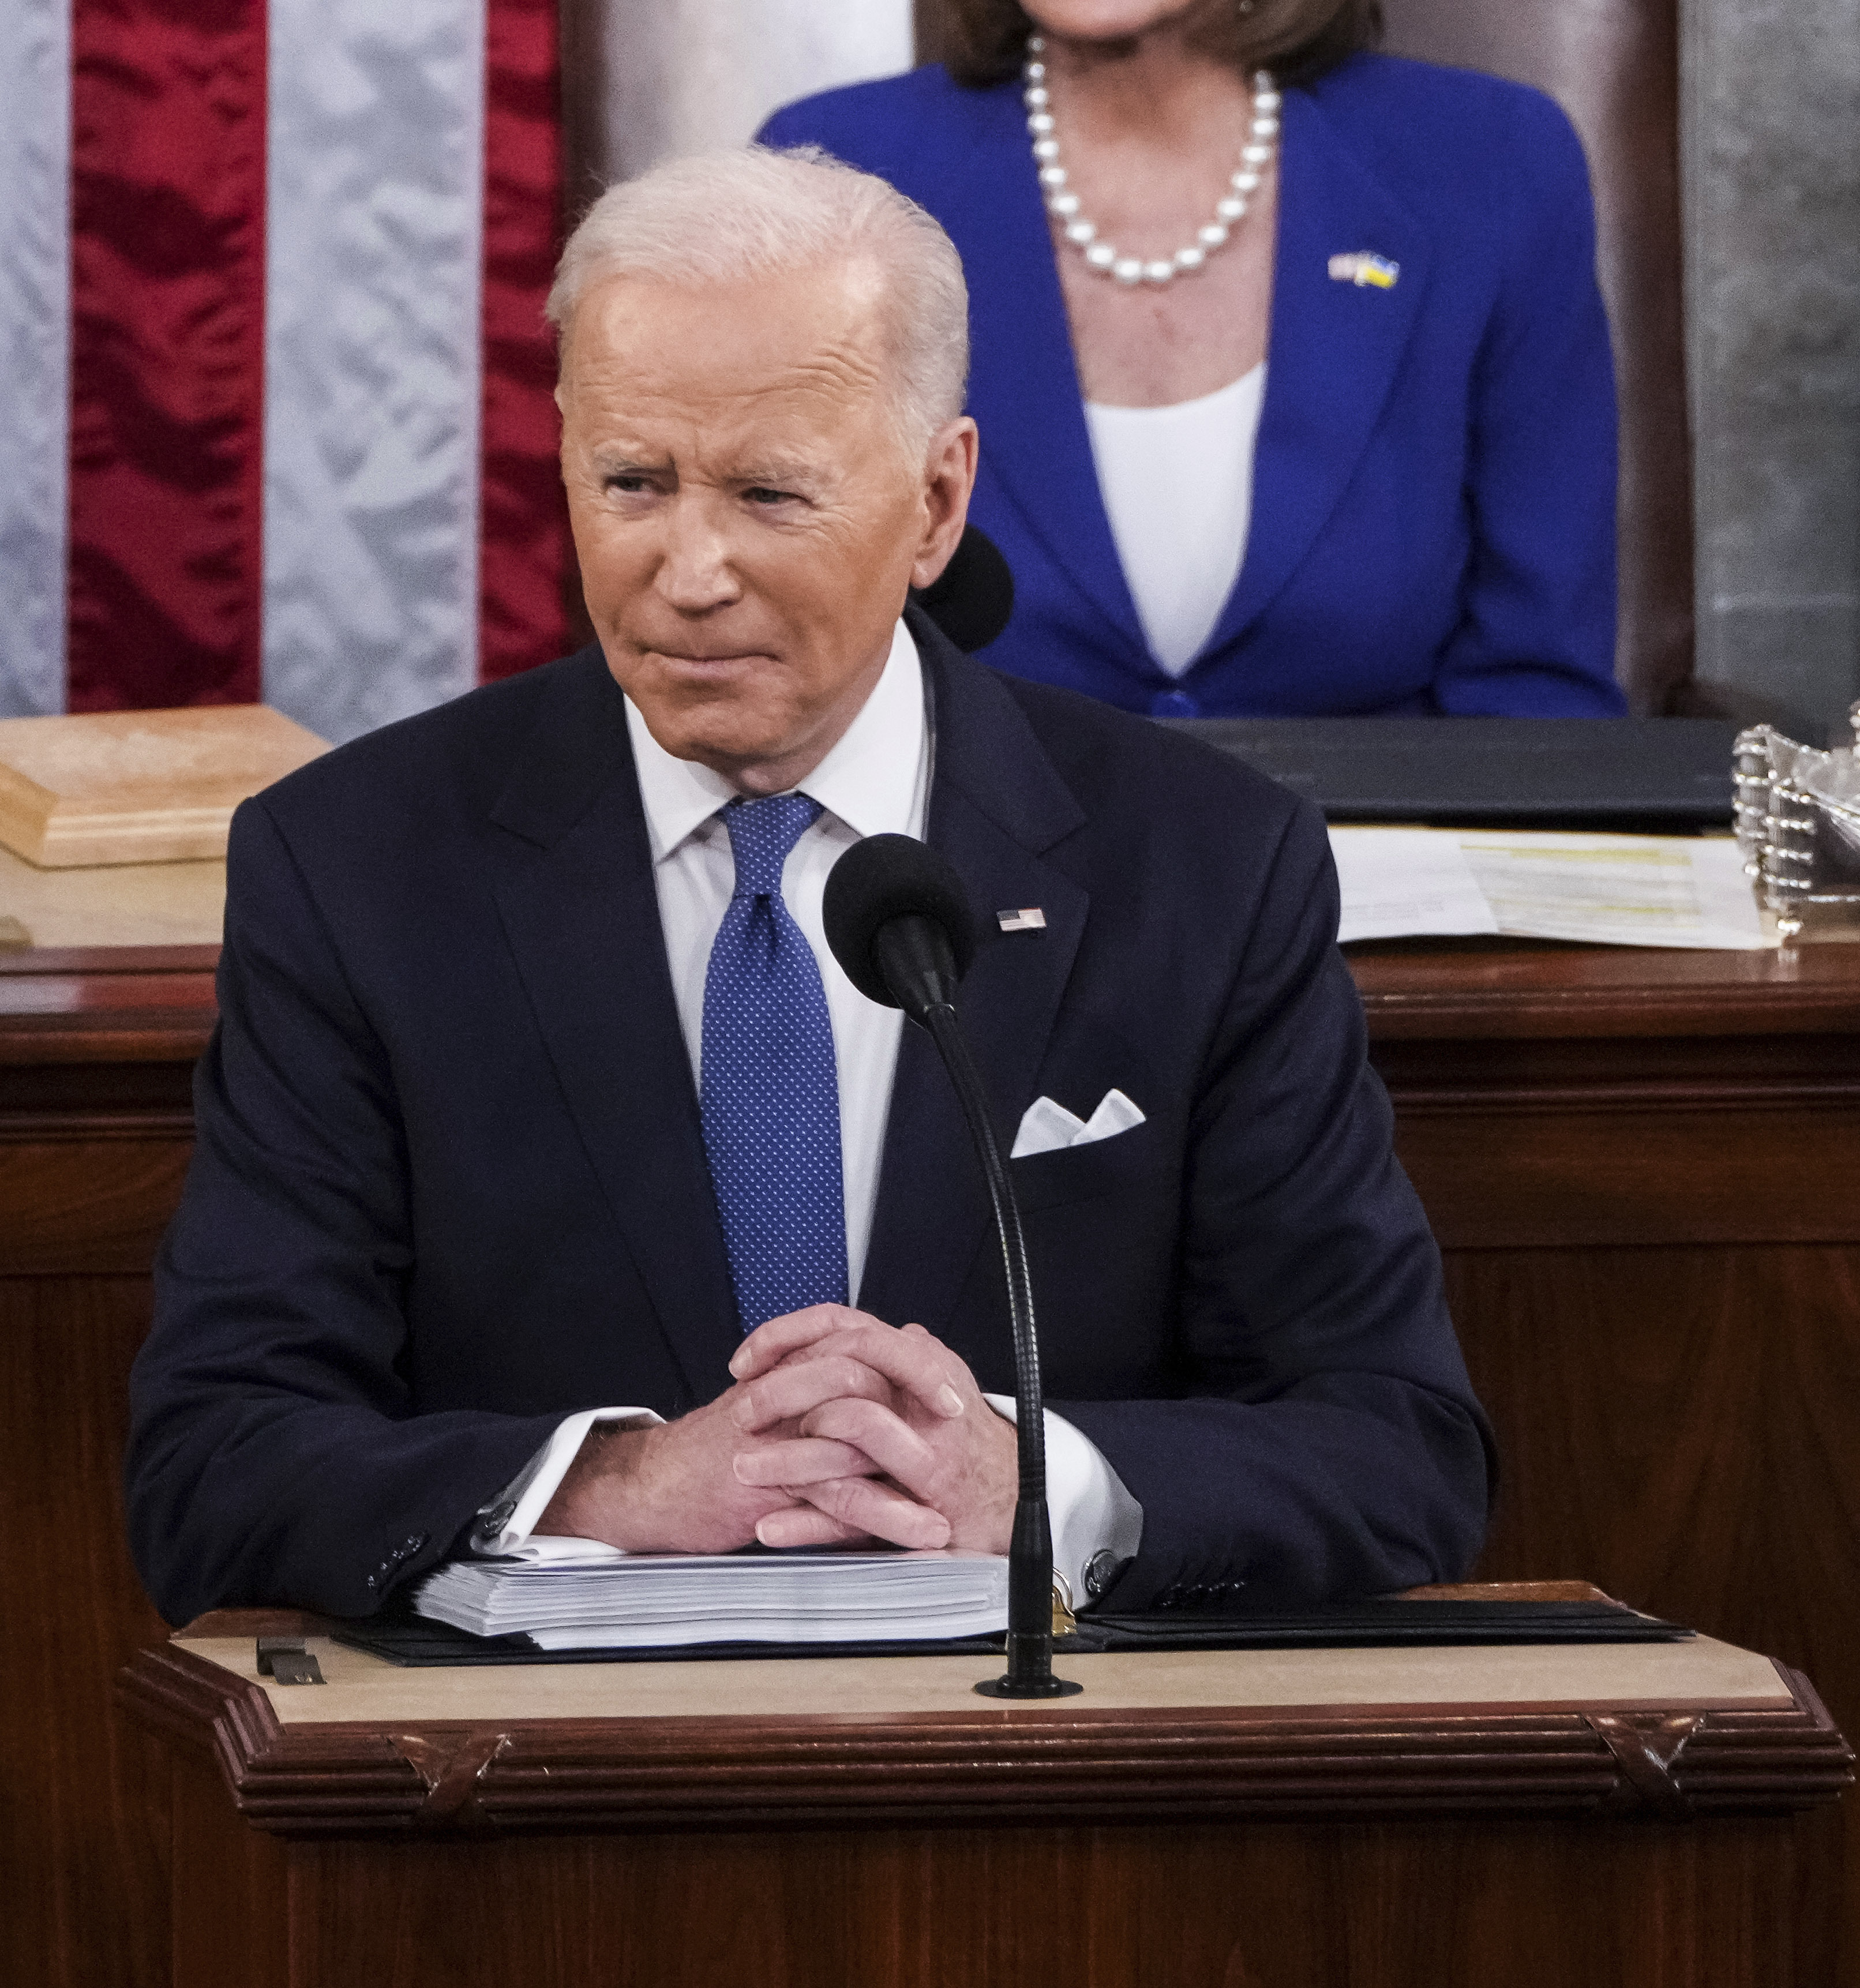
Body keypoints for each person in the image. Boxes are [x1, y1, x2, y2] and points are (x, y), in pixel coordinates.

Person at [124, 147, 1488, 1626]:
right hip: (543, 1792)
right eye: (630, 482)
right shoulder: (357, 865)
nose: (686, 568)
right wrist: (615, 1488)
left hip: (1044, 1783)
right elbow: (215, 1461)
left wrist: (1029, 1483)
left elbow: (1394, 1446)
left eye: (770, 493)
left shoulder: (1203, 865)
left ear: (933, 502)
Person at [771, 0, 1625, 721]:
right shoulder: (831, 182)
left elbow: (1538, 697)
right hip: (965, 879)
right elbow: (771, 650)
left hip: (1383, 884)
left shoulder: (1490, 169)